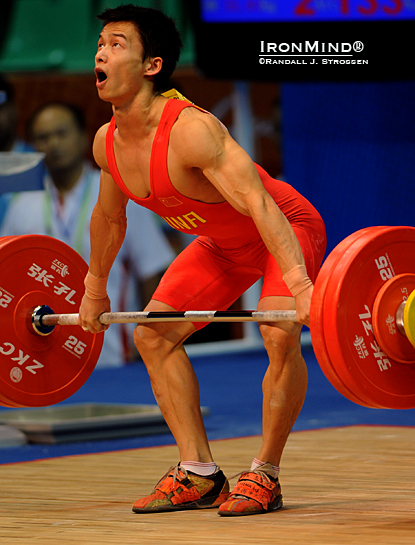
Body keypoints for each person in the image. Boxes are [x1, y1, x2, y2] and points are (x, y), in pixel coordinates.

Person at [79, 4, 327, 515]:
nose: (101, 53)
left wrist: (300, 286)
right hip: (221, 245)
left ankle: (265, 474)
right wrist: (94, 286)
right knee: (152, 334)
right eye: (100, 43)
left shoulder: (192, 129)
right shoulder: (108, 142)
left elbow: (260, 203)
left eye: (117, 43)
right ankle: (197, 473)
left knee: (278, 331)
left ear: (153, 65)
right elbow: (108, 220)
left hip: (283, 226)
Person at [0, 101, 175, 367]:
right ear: (34, 147)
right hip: (44, 356)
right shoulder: (21, 205)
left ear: (84, 138)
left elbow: (151, 272)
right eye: (43, 138)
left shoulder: (119, 194)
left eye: (62, 133)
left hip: (117, 354)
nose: (53, 144)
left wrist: (147, 336)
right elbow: (7, 275)